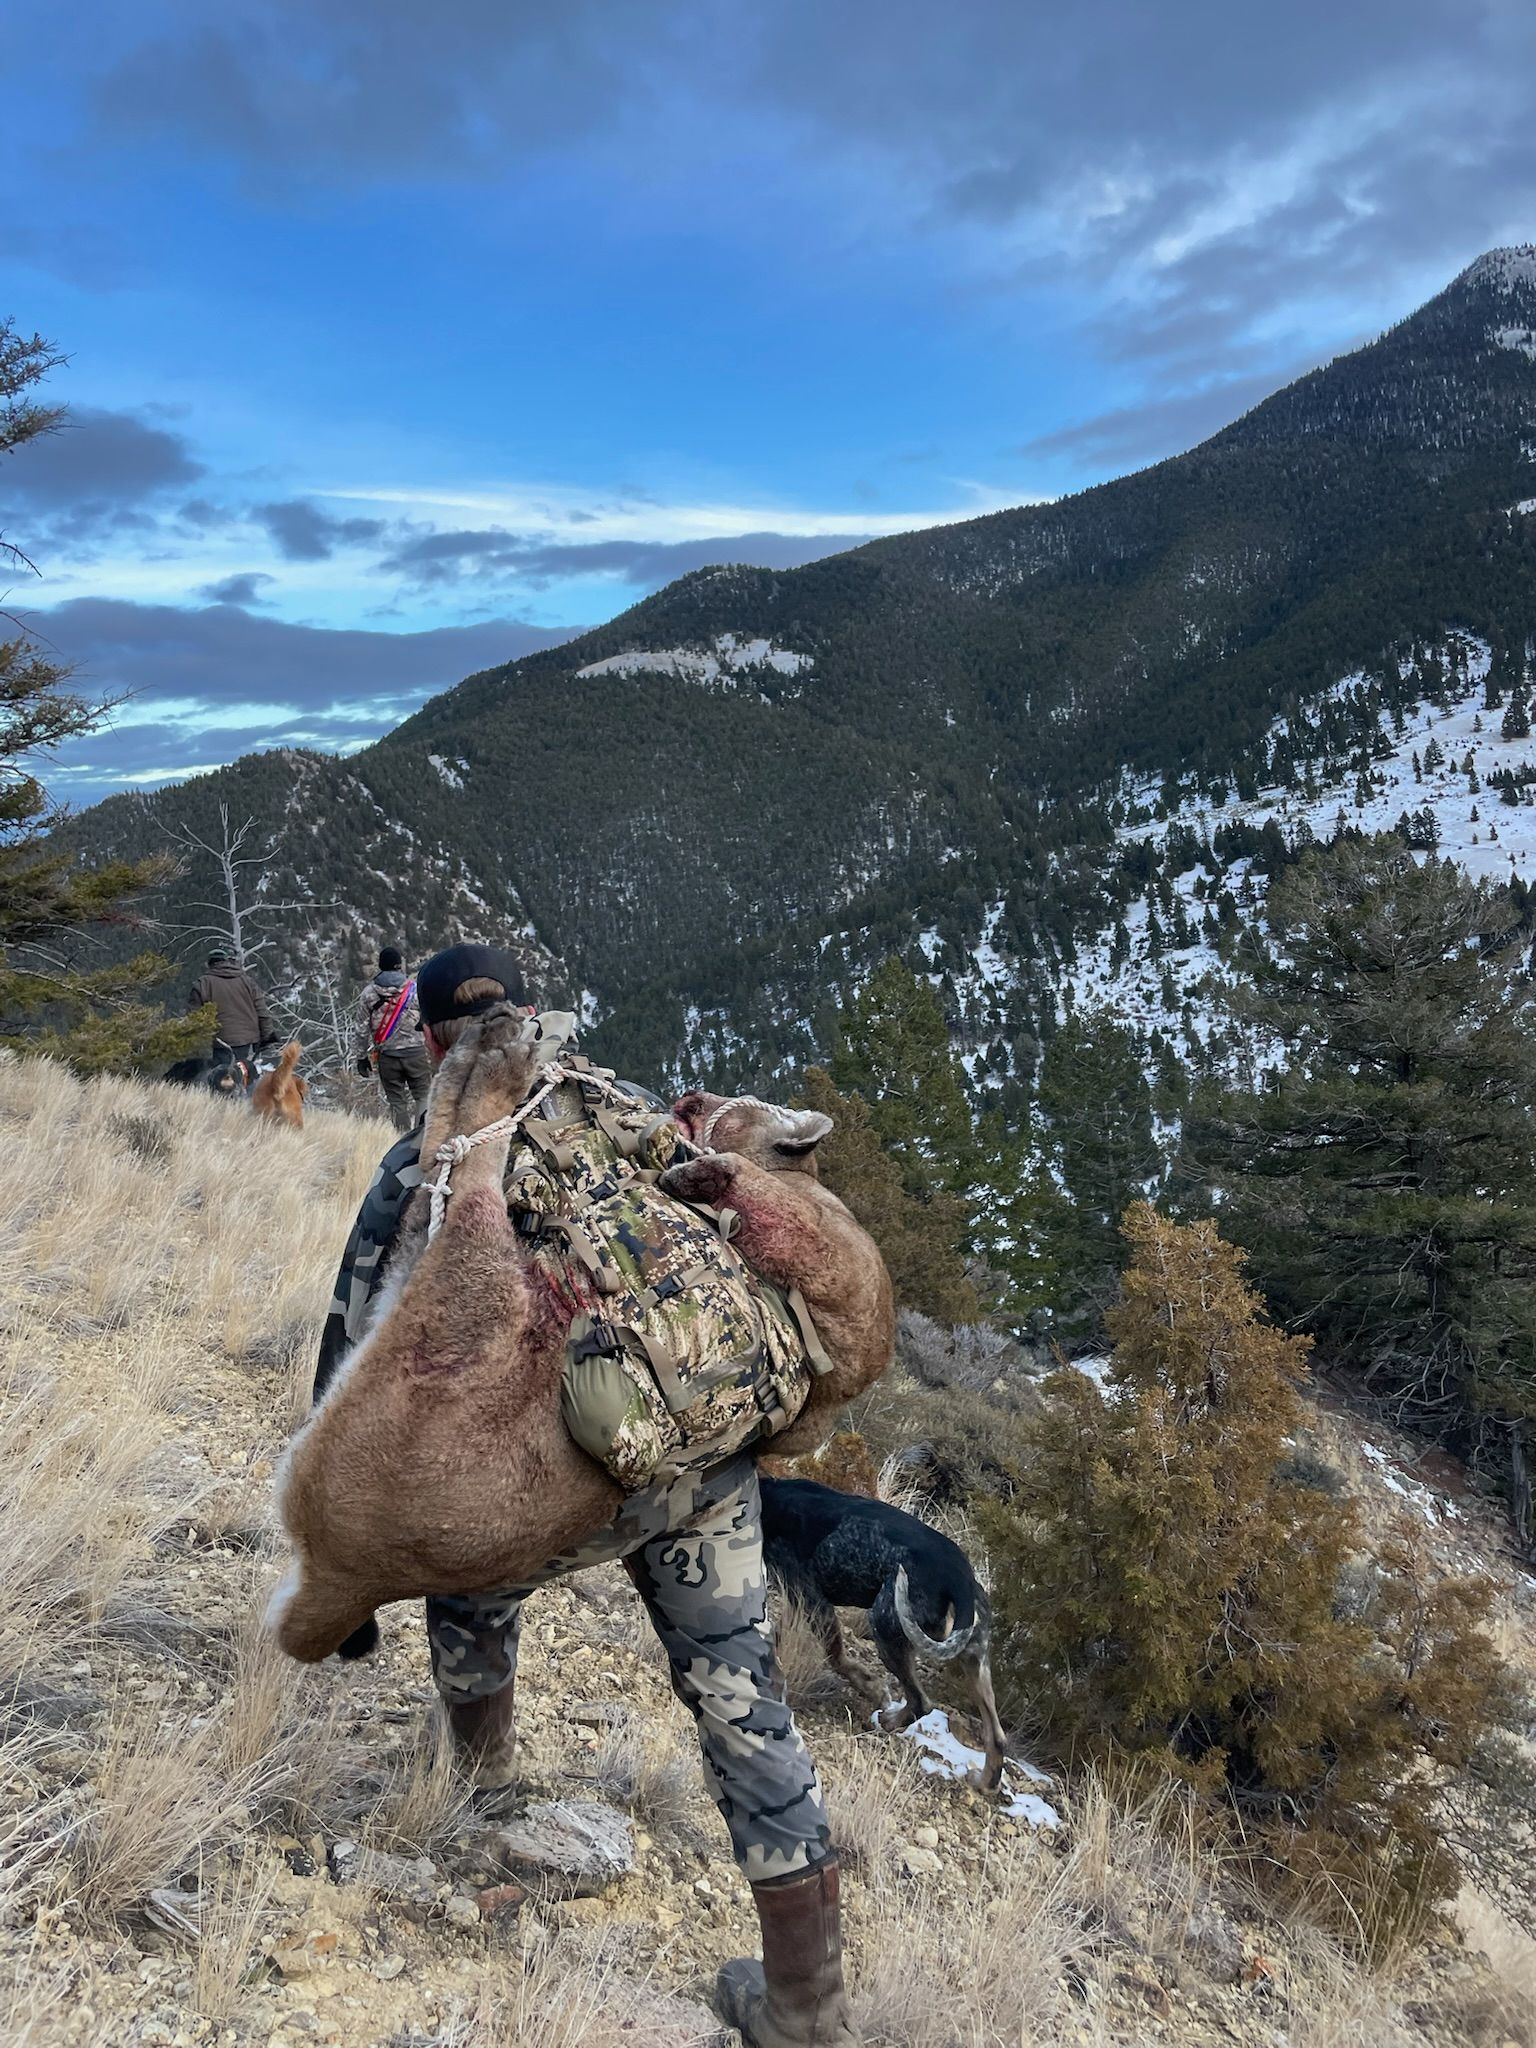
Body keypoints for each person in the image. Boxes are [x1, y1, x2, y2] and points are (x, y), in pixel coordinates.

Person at [313, 941, 857, 2048]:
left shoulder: (422, 1172)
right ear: (534, 1017)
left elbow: (351, 1369)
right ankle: (805, 2001)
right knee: (739, 1690)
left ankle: (480, 1783)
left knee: (461, 1563)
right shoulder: (630, 1111)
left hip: (553, 1477)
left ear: (425, 1041)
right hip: (697, 1459)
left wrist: (353, 1562)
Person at [352, 946, 430, 1131]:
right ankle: (422, 1139)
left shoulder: (369, 993)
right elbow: (429, 1018)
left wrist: (361, 1057)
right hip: (416, 1052)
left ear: (381, 965)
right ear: (399, 966)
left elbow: (361, 1028)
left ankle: (401, 1138)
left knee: (396, 1101)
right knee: (423, 1097)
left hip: (387, 1055)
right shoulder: (415, 989)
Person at [187, 948, 277, 1072]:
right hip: (246, 1040)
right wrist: (267, 1038)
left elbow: (194, 1018)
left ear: (209, 964)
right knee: (242, 1074)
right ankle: (245, 1090)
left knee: (221, 1078)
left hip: (219, 1040)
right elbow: (262, 1011)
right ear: (227, 961)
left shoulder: (202, 984)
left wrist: (193, 1045)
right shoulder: (247, 981)